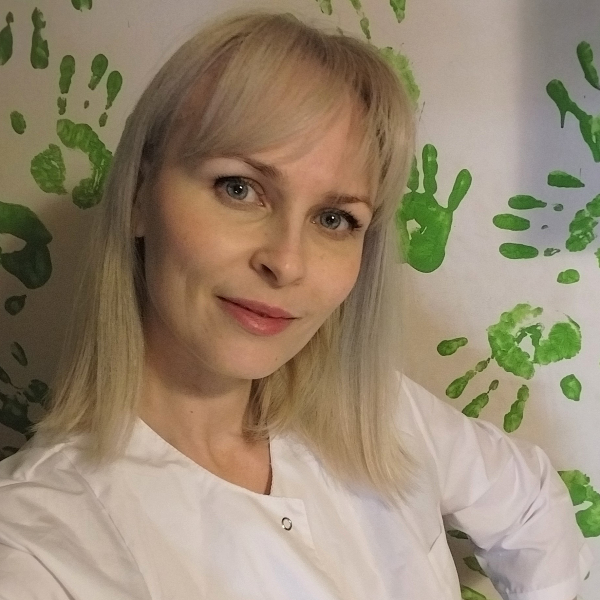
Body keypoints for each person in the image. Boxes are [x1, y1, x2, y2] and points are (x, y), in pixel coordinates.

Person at [0, 10, 591, 600]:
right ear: (138, 195)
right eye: (239, 188)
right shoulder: (37, 547)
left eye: (334, 219)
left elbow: (532, 502)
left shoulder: (376, 410)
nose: (286, 262)